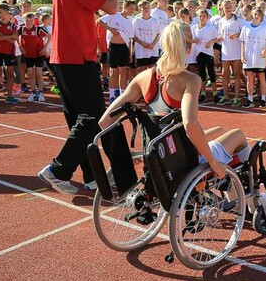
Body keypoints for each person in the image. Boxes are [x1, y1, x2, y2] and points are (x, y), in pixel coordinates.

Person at [99, 21, 252, 181]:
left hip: (158, 154)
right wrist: (213, 163)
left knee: (219, 130)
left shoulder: (142, 77)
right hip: (184, 160)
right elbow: (190, 124)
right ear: (189, 48)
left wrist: (127, 155)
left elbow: (104, 122)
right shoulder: (190, 79)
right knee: (238, 135)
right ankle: (252, 193)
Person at [39, 0, 134, 195]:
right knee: (95, 118)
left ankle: (93, 176)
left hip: (64, 59)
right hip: (77, 59)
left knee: (80, 119)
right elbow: (113, 7)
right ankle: (58, 170)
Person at [98, 0, 136, 103]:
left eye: (133, 9)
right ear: (124, 7)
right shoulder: (114, 15)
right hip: (113, 47)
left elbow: (130, 38)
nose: (132, 10)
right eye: (131, 8)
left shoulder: (130, 20)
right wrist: (111, 29)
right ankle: (112, 95)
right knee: (113, 71)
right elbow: (99, 21)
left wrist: (130, 52)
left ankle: (122, 95)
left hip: (124, 48)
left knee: (123, 71)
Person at [0, 3, 19, 106]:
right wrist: (10, 36)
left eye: (1, 12)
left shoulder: (14, 26)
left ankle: (9, 96)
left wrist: (4, 37)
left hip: (10, 52)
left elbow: (12, 41)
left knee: (10, 74)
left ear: (7, 12)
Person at [240, 8, 266, 108]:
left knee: (261, 77)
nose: (256, 16)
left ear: (261, 17)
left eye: (258, 14)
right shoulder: (246, 27)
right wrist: (242, 55)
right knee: (249, 78)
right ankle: (250, 99)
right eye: (255, 14)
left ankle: (263, 99)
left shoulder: (265, 27)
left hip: (260, 57)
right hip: (249, 56)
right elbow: (243, 42)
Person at [18, 12, 49, 102]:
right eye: (27, 20)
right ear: (24, 21)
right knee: (30, 74)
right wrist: (20, 46)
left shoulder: (38, 29)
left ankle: (40, 92)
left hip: (38, 54)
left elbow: (49, 36)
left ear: (34, 20)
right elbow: (15, 37)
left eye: (31, 20)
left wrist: (45, 47)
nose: (29, 22)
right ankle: (33, 92)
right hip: (28, 55)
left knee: (38, 73)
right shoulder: (21, 29)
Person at [192, 8, 219, 102]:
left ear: (207, 17)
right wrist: (194, 41)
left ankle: (215, 93)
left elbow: (218, 37)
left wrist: (211, 42)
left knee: (211, 72)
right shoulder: (194, 27)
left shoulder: (211, 27)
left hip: (208, 52)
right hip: (198, 52)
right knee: (201, 73)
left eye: (204, 16)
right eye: (200, 16)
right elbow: (190, 39)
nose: (202, 18)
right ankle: (203, 93)